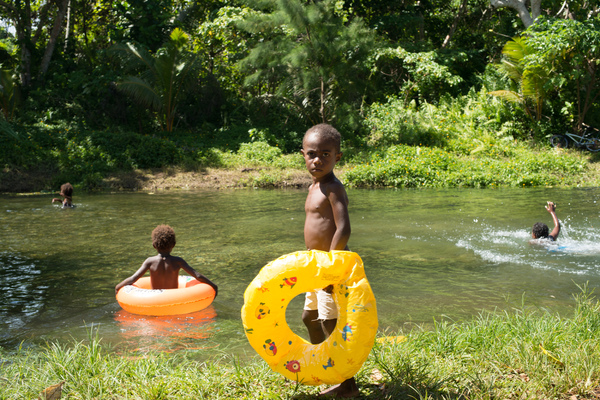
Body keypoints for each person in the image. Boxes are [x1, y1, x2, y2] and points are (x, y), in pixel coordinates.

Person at [300, 123, 357, 398]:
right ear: (303, 154)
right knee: (309, 317)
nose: (317, 159)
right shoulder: (314, 186)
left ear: (338, 156)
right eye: (312, 154)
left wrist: (331, 270)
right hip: (314, 264)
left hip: (329, 266)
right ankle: (325, 366)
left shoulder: (333, 187)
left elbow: (343, 228)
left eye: (325, 153)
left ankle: (347, 385)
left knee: (329, 321)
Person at [115, 225, 218, 297]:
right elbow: (198, 276)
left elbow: (133, 279)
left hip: (155, 300)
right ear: (173, 245)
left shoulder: (149, 262)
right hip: (174, 299)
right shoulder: (178, 261)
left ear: (154, 246)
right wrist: (214, 286)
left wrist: (117, 287)